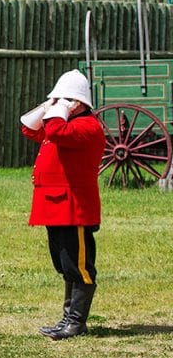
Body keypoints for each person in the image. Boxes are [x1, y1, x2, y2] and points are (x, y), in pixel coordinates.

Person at [20, 69, 104, 340]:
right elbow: (29, 128)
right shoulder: (65, 121)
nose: (57, 104)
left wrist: (58, 109)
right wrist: (50, 105)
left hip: (73, 207)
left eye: (63, 99)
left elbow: (55, 131)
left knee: (79, 267)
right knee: (64, 264)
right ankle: (68, 318)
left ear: (77, 103)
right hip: (56, 205)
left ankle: (76, 322)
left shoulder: (87, 126)